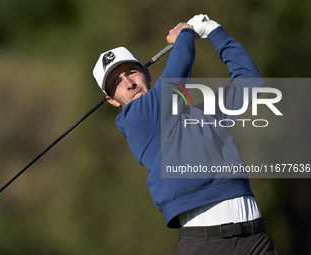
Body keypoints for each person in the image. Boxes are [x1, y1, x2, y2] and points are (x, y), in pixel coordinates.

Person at [93, 14, 277, 255]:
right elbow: (179, 68)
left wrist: (215, 31)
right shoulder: (136, 117)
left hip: (256, 239)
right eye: (116, 83)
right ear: (112, 100)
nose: (129, 83)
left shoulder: (201, 113)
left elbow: (251, 84)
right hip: (206, 245)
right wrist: (186, 34)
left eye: (132, 72)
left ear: (147, 75)